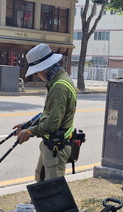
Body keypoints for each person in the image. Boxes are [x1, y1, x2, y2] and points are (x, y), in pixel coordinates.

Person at [14, 43, 77, 182]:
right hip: (50, 145)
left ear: (45, 68)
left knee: (52, 189)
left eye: (38, 72)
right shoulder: (58, 80)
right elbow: (48, 114)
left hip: (56, 148)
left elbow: (53, 124)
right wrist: (27, 125)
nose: (38, 75)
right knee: (41, 181)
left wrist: (29, 132)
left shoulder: (59, 87)